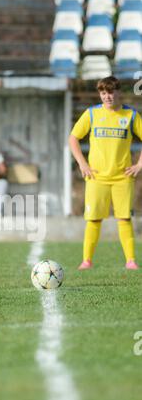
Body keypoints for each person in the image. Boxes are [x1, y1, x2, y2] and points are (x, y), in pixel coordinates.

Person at [69, 76, 142, 270]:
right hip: (96, 177)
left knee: (124, 218)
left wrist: (139, 165)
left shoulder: (131, 115)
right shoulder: (91, 114)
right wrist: (83, 164)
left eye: (110, 92)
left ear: (118, 92)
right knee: (93, 219)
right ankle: (86, 260)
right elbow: (73, 138)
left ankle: (131, 261)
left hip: (123, 177)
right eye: (103, 93)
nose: (107, 97)